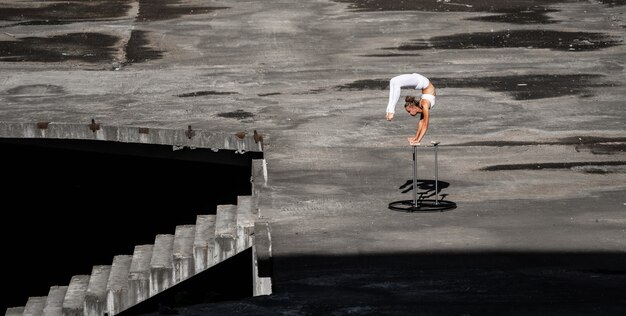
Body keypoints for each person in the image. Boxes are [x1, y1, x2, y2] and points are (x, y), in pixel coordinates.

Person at [385, 73, 436, 146]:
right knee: (393, 82)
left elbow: (424, 124)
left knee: (394, 82)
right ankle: (390, 110)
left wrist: (418, 140)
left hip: (420, 80)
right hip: (421, 81)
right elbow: (423, 124)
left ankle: (390, 110)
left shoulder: (424, 105)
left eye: (409, 111)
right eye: (409, 111)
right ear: (414, 108)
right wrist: (416, 138)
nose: (409, 114)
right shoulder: (424, 105)